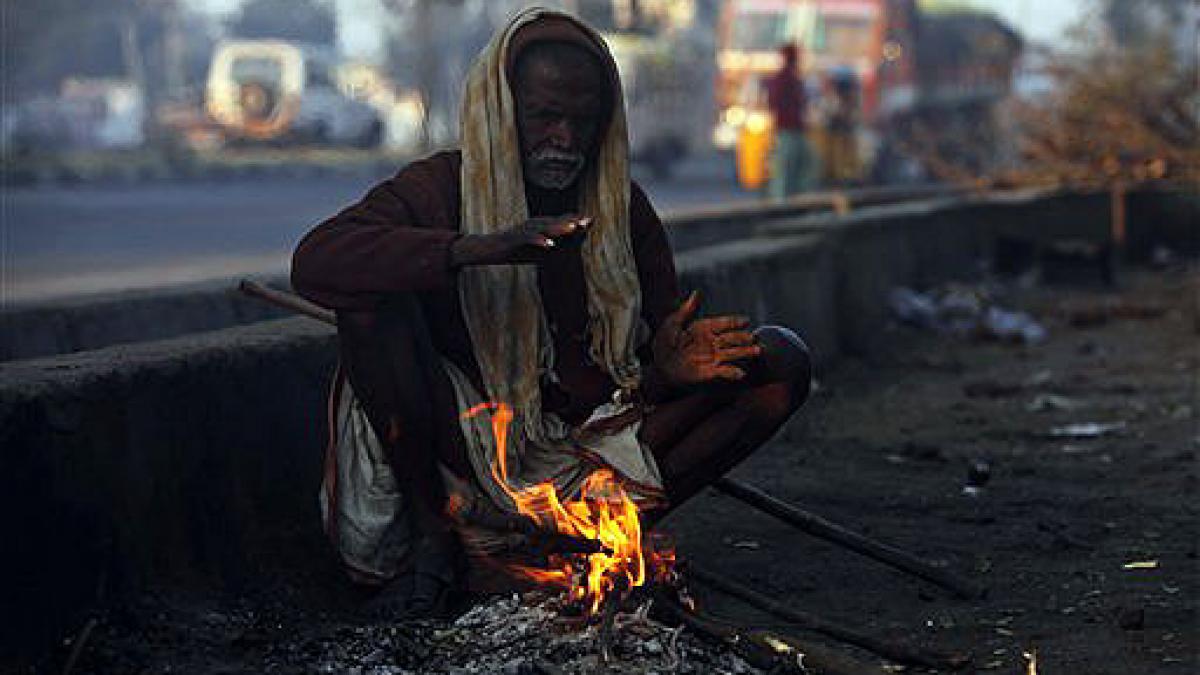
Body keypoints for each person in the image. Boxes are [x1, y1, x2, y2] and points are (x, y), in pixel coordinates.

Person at [291, 8, 812, 618]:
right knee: (369, 310)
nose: (565, 139)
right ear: (502, 111)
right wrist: (476, 250)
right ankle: (441, 545)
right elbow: (317, 262)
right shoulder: (441, 188)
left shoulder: (622, 210)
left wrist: (668, 370)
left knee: (780, 360)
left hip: (586, 460)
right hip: (462, 462)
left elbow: (643, 367)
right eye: (545, 117)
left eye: (582, 121)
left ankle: (573, 549)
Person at [765, 43, 817, 199]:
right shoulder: (784, 78)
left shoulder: (792, 78)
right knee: (786, 169)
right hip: (787, 130)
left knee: (800, 165)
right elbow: (776, 102)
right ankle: (782, 202)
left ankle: (793, 199)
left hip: (793, 129)